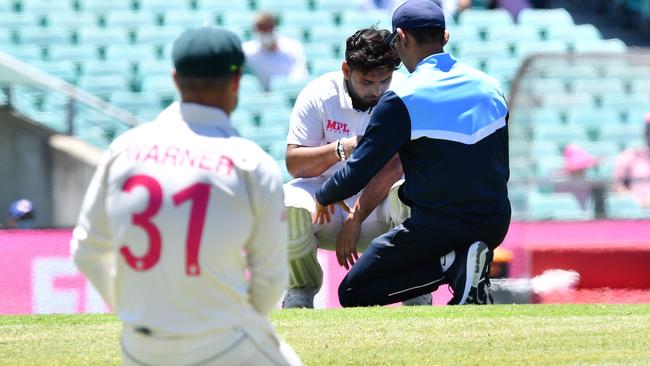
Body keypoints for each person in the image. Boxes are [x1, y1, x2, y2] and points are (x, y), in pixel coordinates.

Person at [70, 27, 302, 366]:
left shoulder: (124, 148)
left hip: (139, 347)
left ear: (175, 79)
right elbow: (271, 279)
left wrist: (134, 313)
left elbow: (87, 251)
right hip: (225, 341)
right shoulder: (250, 163)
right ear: (236, 82)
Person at [314, 0, 511, 307]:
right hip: (494, 223)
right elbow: (503, 167)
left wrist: (323, 195)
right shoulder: (490, 86)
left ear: (401, 38)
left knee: (353, 292)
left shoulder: (402, 97)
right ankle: (463, 266)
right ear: (445, 37)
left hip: (437, 227)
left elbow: (358, 171)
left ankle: (454, 264)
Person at [282, 27, 434, 308]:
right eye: (367, 82)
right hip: (326, 207)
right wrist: (344, 148)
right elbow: (294, 164)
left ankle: (416, 289)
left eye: (384, 81)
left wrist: (356, 217)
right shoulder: (318, 94)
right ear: (346, 69)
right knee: (288, 203)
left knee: (415, 192)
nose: (377, 92)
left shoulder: (403, 93)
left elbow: (396, 168)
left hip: (378, 206)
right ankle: (300, 293)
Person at [243, 12, 308, 91]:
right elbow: (234, 67)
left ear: (274, 27)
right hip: (263, 96)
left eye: (267, 28)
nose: (264, 33)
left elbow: (300, 75)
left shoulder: (293, 47)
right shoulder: (248, 52)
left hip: (289, 93)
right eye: (260, 30)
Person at [613, 112, 650, 208]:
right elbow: (619, 188)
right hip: (635, 214)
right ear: (645, 133)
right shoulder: (629, 157)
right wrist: (634, 202)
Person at [554, 143, 598, 210]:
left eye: (583, 169)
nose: (583, 171)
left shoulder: (591, 184)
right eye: (580, 169)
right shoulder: (561, 184)